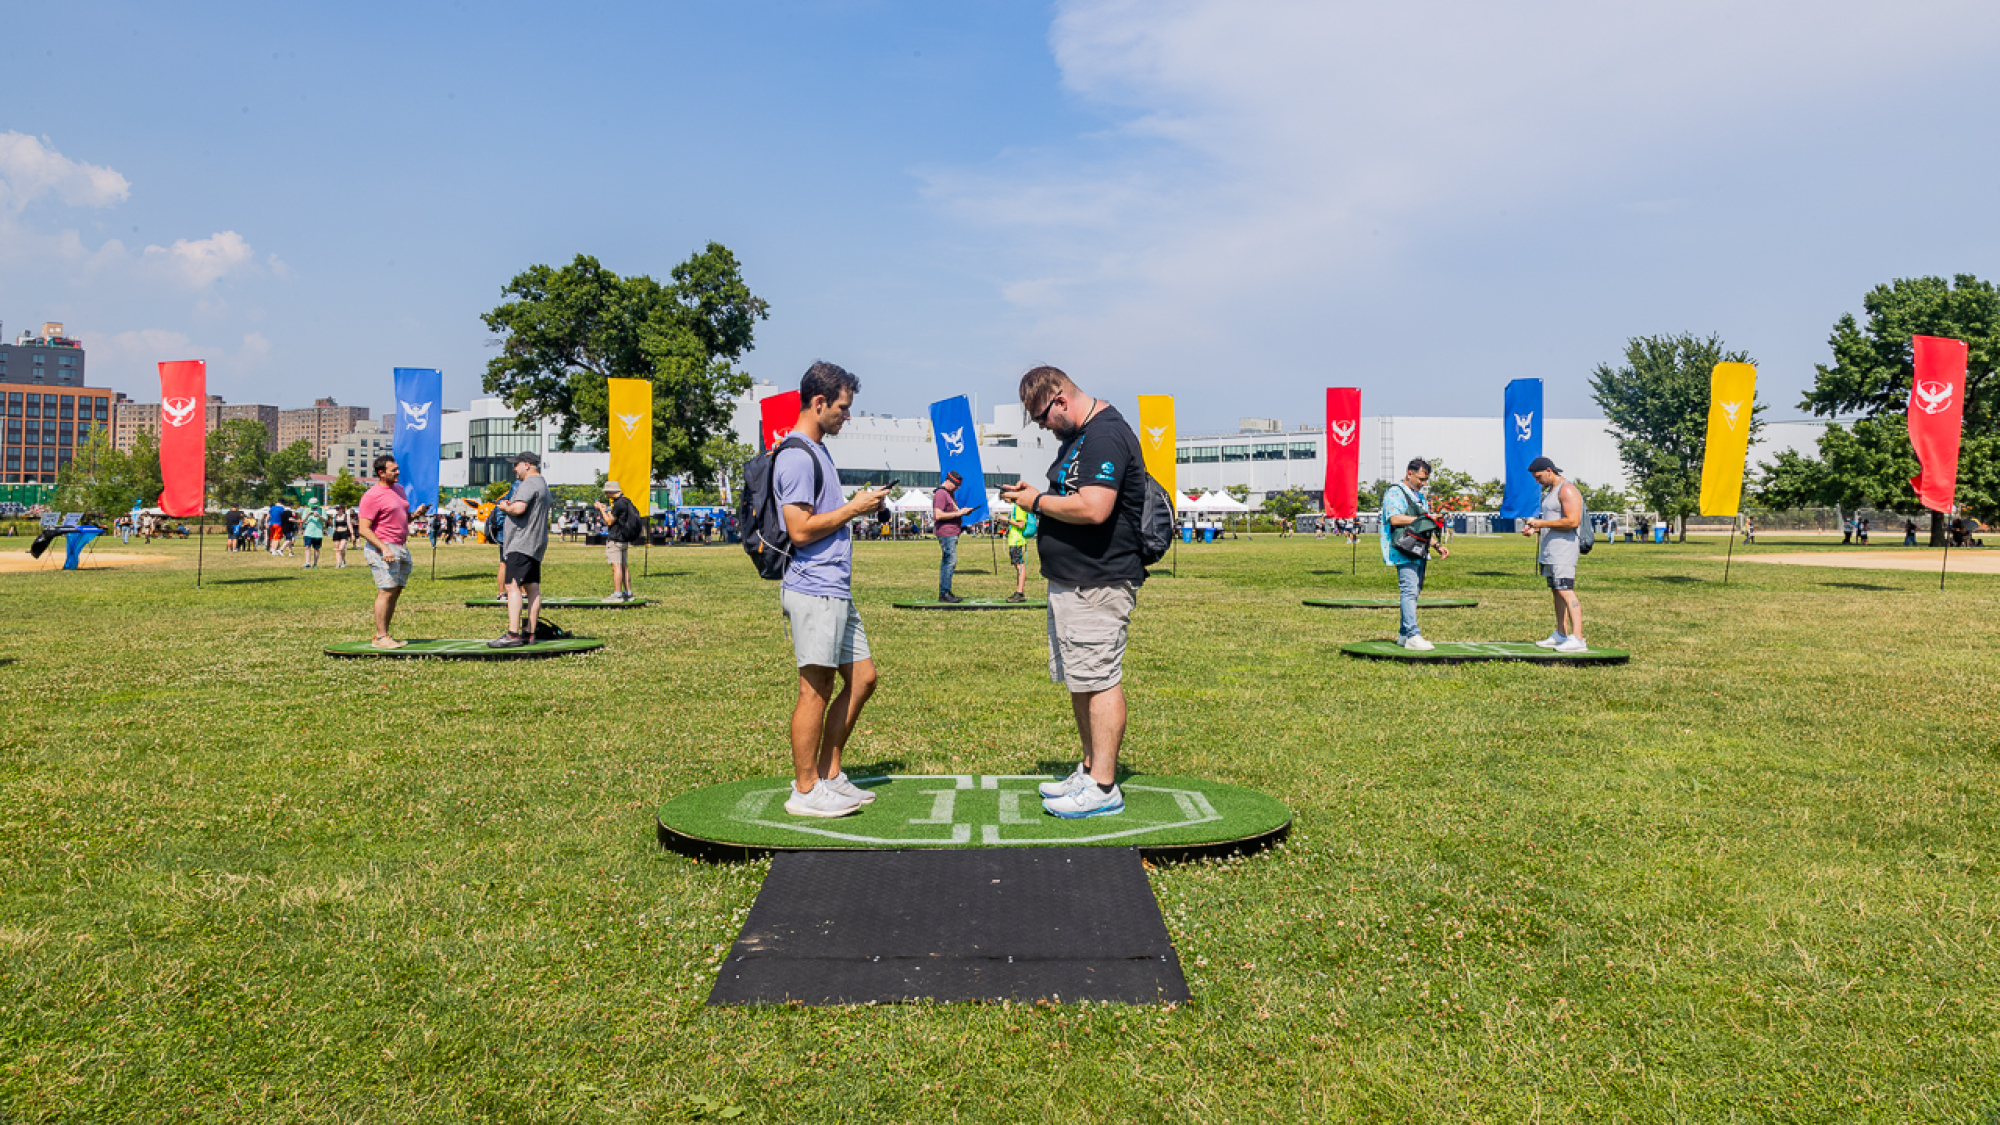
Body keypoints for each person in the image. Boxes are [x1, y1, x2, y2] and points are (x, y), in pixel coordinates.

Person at [999, 365, 1149, 820]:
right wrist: (1039, 495)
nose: (1043, 427)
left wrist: (1036, 503)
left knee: (1100, 678)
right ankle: (1088, 769)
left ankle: (1104, 785)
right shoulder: (1078, 438)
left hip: (1098, 581)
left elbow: (1095, 507)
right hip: (1073, 581)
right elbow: (1072, 494)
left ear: (1061, 398)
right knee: (1081, 678)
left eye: (1042, 417)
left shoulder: (1104, 435)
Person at [773, 362, 893, 818]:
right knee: (815, 690)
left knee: (863, 679)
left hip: (835, 589)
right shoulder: (798, 455)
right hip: (813, 589)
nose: (848, 416)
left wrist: (857, 506)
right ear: (818, 402)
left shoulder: (819, 451)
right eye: (843, 407)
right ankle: (805, 791)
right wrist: (853, 508)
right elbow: (800, 530)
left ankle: (829, 773)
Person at [1380, 458, 1451, 650]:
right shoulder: (1395, 492)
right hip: (1404, 549)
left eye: (1426, 480)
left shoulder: (1419, 496)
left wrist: (1437, 545)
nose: (1423, 483)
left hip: (1420, 549)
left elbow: (1423, 526)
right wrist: (1424, 517)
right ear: (1409, 473)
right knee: (1409, 590)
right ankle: (1413, 634)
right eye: (1420, 479)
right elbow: (1394, 519)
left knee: (1414, 591)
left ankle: (1403, 634)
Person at [1520, 455, 1588, 653]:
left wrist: (1541, 523)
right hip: (1550, 552)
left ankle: (1578, 637)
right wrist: (1535, 529)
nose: (1537, 480)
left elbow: (1572, 521)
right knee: (1556, 591)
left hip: (1563, 552)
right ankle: (1561, 633)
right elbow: (1555, 521)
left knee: (1566, 591)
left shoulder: (1567, 489)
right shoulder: (1551, 491)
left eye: (1539, 476)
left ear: (1549, 471)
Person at [358, 455, 427, 649]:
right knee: (386, 591)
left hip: (400, 546)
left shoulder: (399, 490)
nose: (398, 472)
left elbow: (403, 519)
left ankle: (384, 635)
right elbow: (363, 529)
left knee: (395, 591)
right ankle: (381, 637)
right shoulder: (371, 496)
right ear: (381, 473)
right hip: (382, 547)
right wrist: (384, 548)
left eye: (397, 469)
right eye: (393, 470)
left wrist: (415, 515)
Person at [488, 452, 551, 648]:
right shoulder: (543, 484)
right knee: (532, 587)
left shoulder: (529, 484)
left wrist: (504, 507)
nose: (514, 468)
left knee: (512, 585)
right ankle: (529, 632)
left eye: (516, 465)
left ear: (527, 464)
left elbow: (518, 509)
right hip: (535, 543)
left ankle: (513, 633)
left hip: (521, 543)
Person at [594, 480, 642, 602]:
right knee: (624, 566)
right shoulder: (626, 501)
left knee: (616, 567)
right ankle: (628, 593)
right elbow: (614, 518)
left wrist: (601, 509)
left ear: (610, 492)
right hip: (624, 539)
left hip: (615, 539)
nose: (606, 495)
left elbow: (609, 522)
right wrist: (606, 510)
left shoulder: (618, 504)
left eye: (606, 493)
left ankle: (617, 594)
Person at [931, 471, 972, 602]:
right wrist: (959, 513)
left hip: (952, 532)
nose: (956, 488)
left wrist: (962, 513)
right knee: (950, 562)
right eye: (955, 485)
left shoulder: (949, 494)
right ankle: (944, 593)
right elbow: (938, 515)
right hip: (946, 533)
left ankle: (946, 592)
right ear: (949, 481)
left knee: (948, 561)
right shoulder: (941, 494)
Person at [1004, 498, 1031, 602]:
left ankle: (1019, 592)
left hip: (1017, 540)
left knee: (1019, 565)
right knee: (1018, 565)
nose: (1004, 500)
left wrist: (1007, 520)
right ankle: (1019, 591)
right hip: (1015, 540)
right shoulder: (1017, 507)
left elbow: (1021, 525)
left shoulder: (1018, 507)